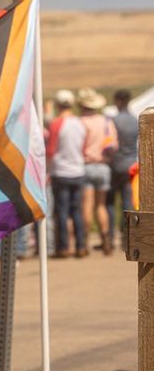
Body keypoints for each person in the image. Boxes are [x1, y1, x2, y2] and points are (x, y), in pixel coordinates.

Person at [46, 89, 86, 257]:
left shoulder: (56, 123)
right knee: (76, 210)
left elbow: (51, 150)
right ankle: (81, 246)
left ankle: (63, 247)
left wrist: (47, 170)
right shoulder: (79, 123)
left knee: (61, 211)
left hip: (61, 171)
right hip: (78, 170)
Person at [77, 88, 117, 254]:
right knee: (101, 205)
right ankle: (105, 239)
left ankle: (84, 242)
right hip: (103, 166)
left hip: (86, 165)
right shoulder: (106, 121)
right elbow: (114, 145)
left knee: (86, 205)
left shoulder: (80, 122)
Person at [108, 89, 139, 242]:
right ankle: (127, 236)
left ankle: (110, 236)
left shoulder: (113, 120)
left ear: (118, 101)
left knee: (110, 201)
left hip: (115, 165)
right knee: (128, 202)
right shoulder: (135, 120)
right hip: (131, 165)